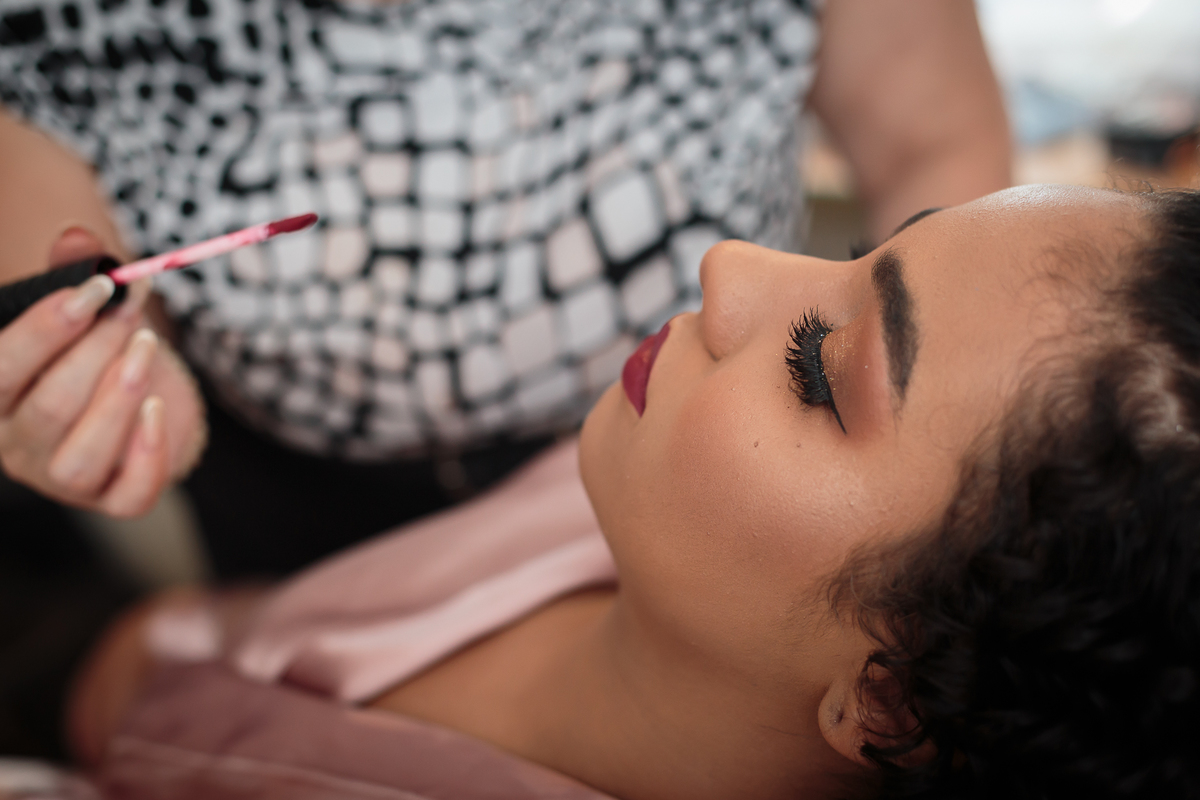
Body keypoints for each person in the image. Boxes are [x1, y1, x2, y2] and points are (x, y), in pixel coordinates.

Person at [65, 185, 1200, 799]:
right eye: (872, 248)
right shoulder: (640, 496)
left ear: (893, 700)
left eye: (817, 366)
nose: (731, 264)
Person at [0, 0, 1011, 577]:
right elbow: (59, 295)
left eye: (819, 360)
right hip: (301, 532)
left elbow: (938, 147)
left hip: (729, 520)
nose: (726, 269)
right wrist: (98, 392)